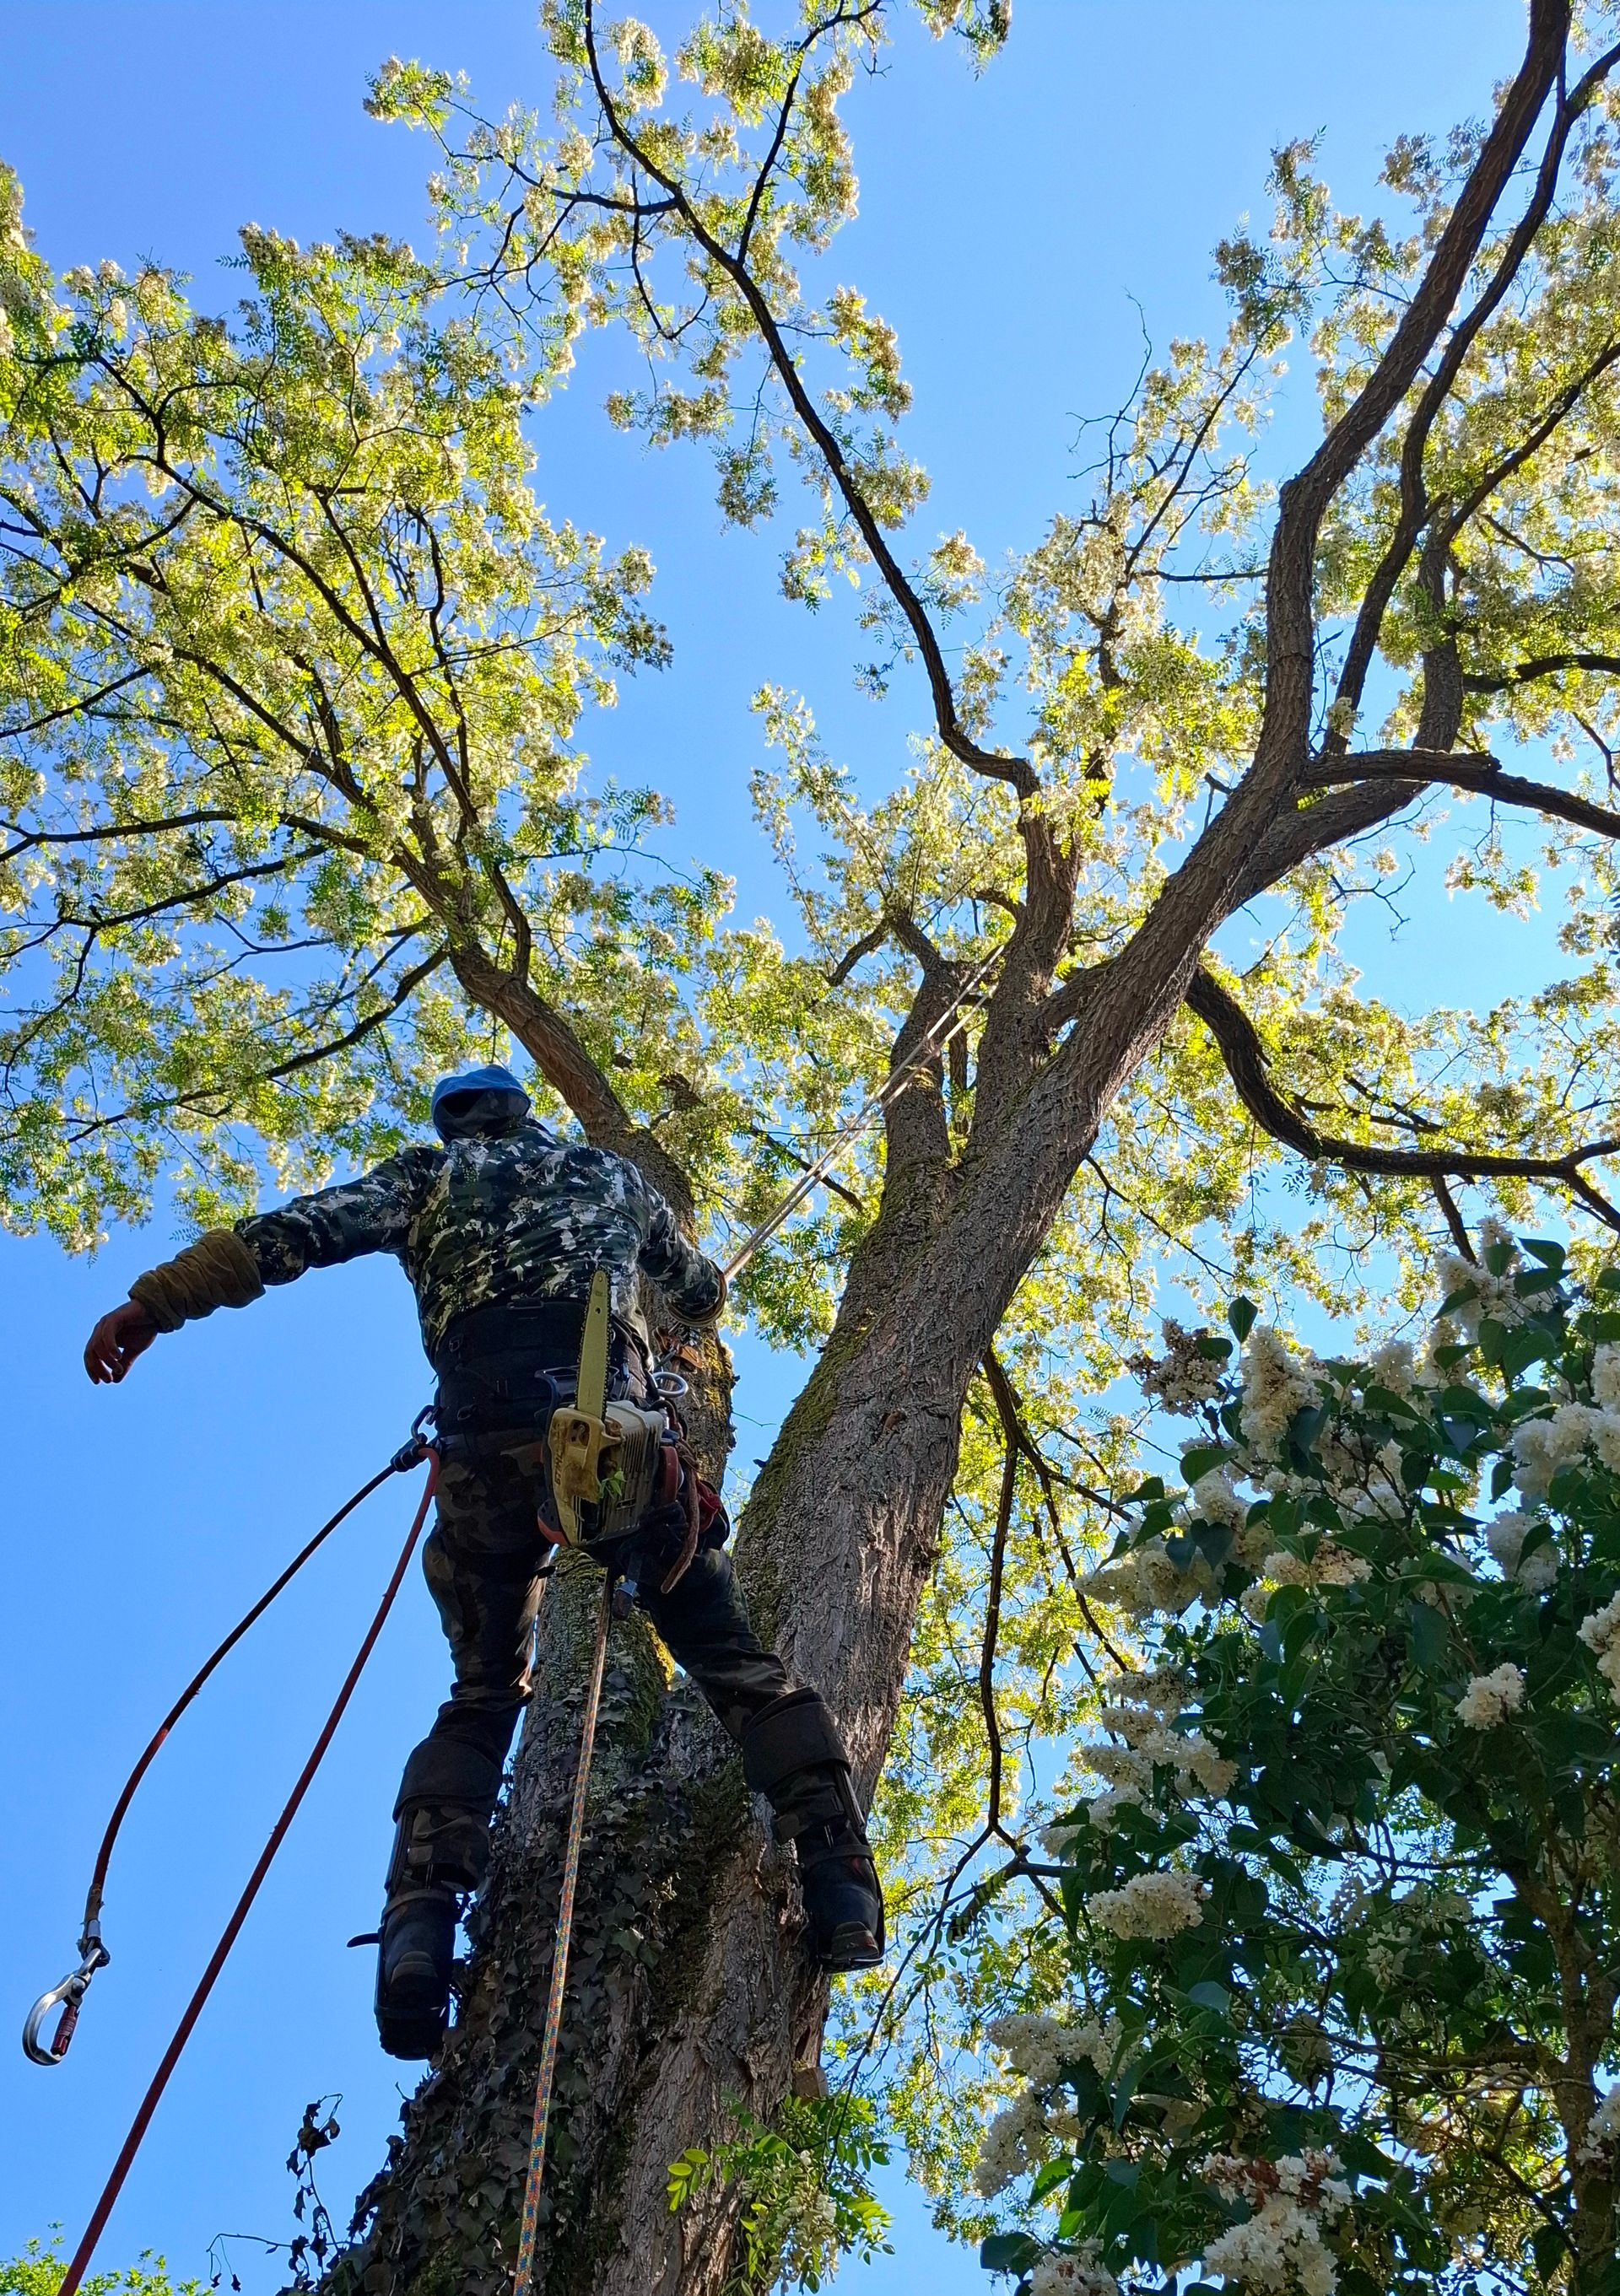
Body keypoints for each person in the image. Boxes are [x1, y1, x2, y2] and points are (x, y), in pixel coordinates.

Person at [84, 1064, 884, 2057]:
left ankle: (419, 1926)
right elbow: (700, 1290)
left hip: (478, 1454)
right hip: (606, 1435)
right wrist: (684, 1303)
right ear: (524, 1116)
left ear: (456, 1127)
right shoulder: (611, 1176)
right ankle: (839, 1871)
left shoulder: (427, 1178)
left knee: (483, 1689)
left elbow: (295, 1234)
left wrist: (155, 1304)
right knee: (727, 1653)